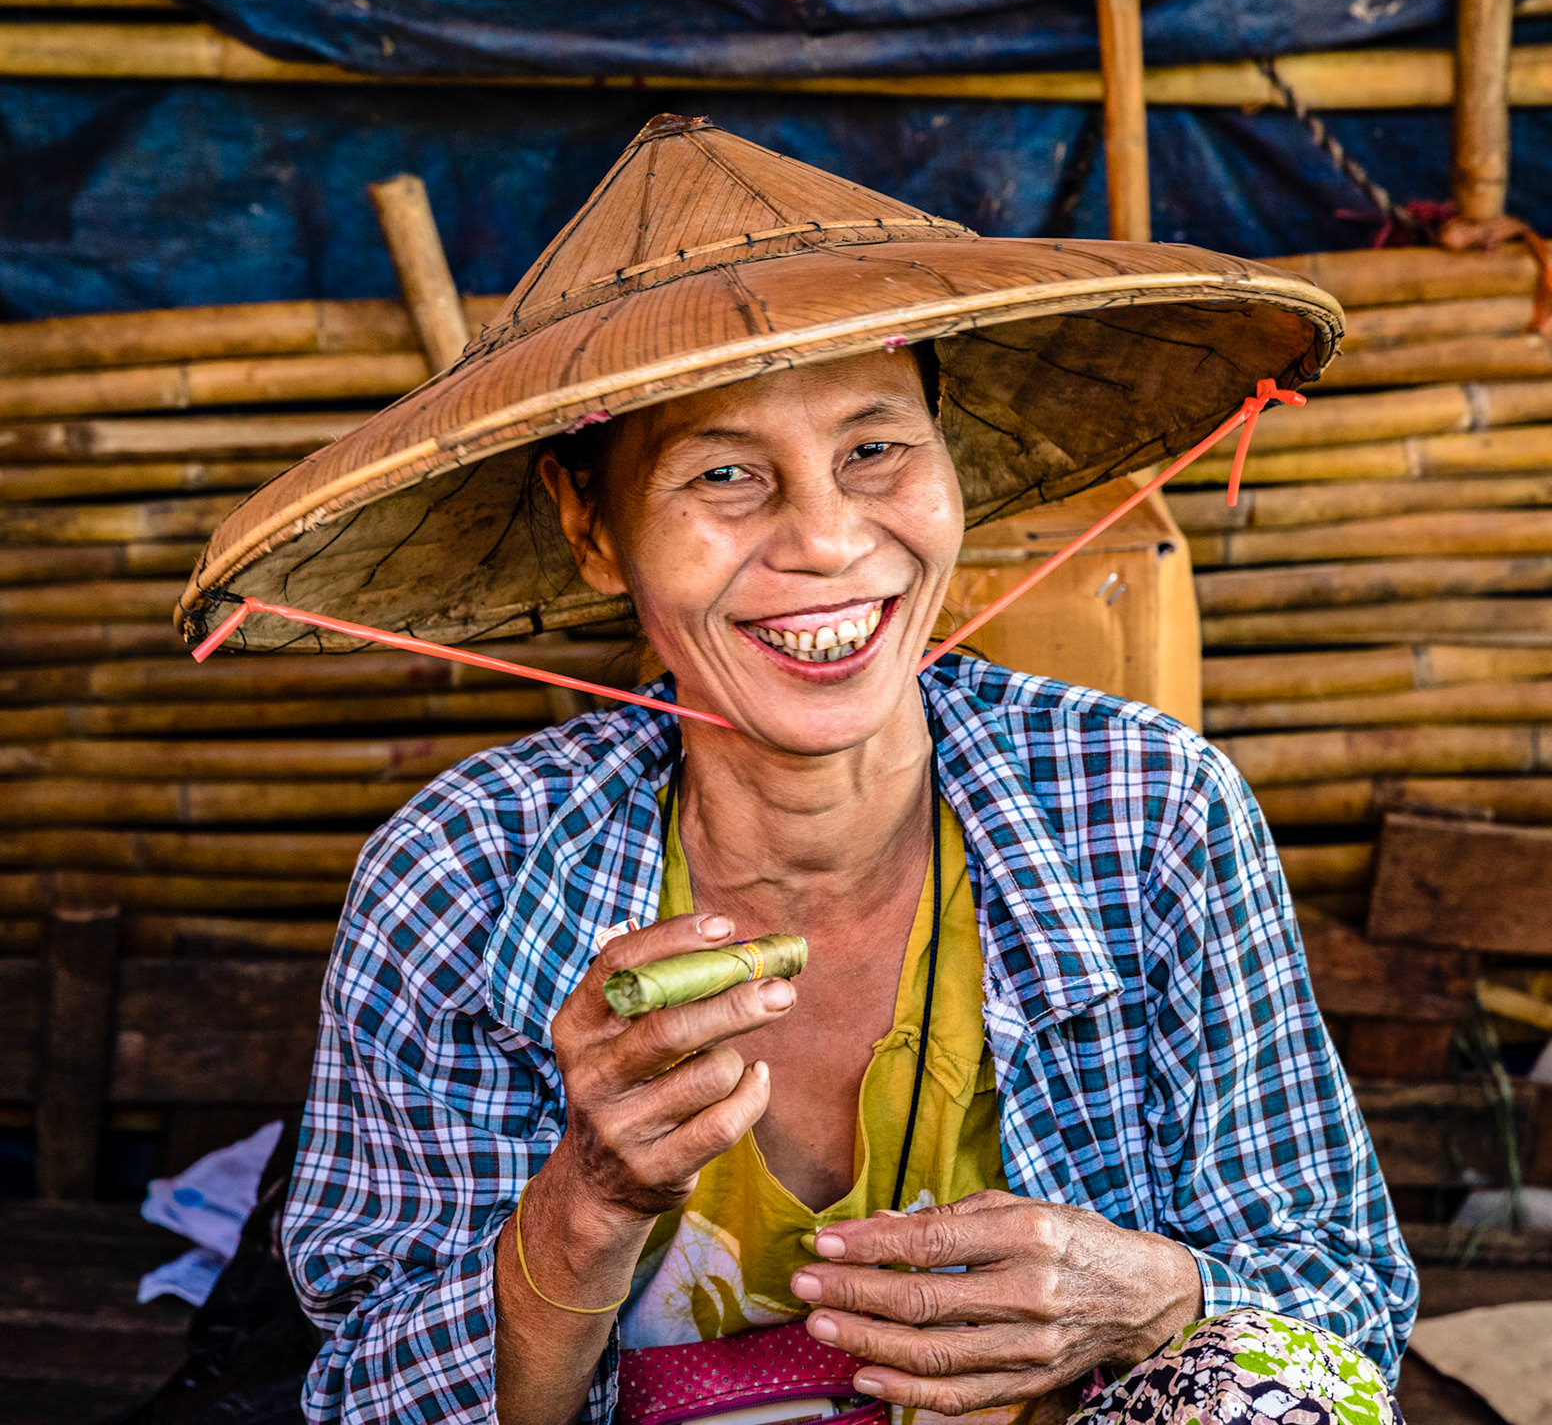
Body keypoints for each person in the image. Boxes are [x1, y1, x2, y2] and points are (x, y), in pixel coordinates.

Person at [178, 116, 1416, 1425]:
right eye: (724, 471)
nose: (827, 538)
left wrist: (1151, 1296)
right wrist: (583, 1205)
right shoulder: (461, 878)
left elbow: (1342, 1302)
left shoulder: (1151, 811)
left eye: (876, 447)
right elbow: (357, 1399)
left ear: (951, 468)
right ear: (592, 528)